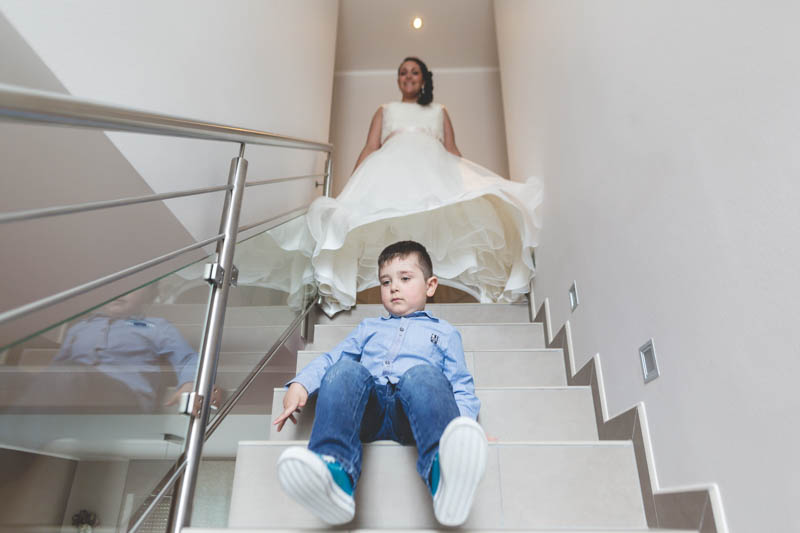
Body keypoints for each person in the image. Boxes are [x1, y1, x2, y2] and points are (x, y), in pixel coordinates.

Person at [228, 55, 542, 316]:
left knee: (436, 214)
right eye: (403, 72)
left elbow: (453, 151)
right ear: (398, 80)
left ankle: (421, 287)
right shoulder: (386, 109)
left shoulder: (439, 110)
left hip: (432, 165)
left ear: (423, 78)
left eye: (414, 72)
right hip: (391, 164)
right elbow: (369, 146)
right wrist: (352, 185)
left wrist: (472, 183)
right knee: (389, 218)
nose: (408, 77)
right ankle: (399, 285)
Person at [272, 241, 488, 526]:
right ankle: (334, 475)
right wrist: (300, 384)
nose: (394, 287)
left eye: (405, 278)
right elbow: (332, 359)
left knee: (423, 375)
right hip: (369, 411)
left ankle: (444, 473)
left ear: (430, 285)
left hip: (412, 416)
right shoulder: (368, 329)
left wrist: (465, 429)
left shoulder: (445, 333)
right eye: (386, 282)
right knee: (346, 369)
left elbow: (461, 386)